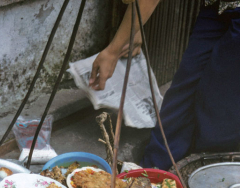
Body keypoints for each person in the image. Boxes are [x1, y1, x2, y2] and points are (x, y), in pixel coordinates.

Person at [89, 0, 240, 171]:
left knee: (220, 102)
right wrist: (134, 30)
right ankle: (152, 172)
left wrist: (112, 51)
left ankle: (206, 177)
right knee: (182, 91)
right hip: (217, 6)